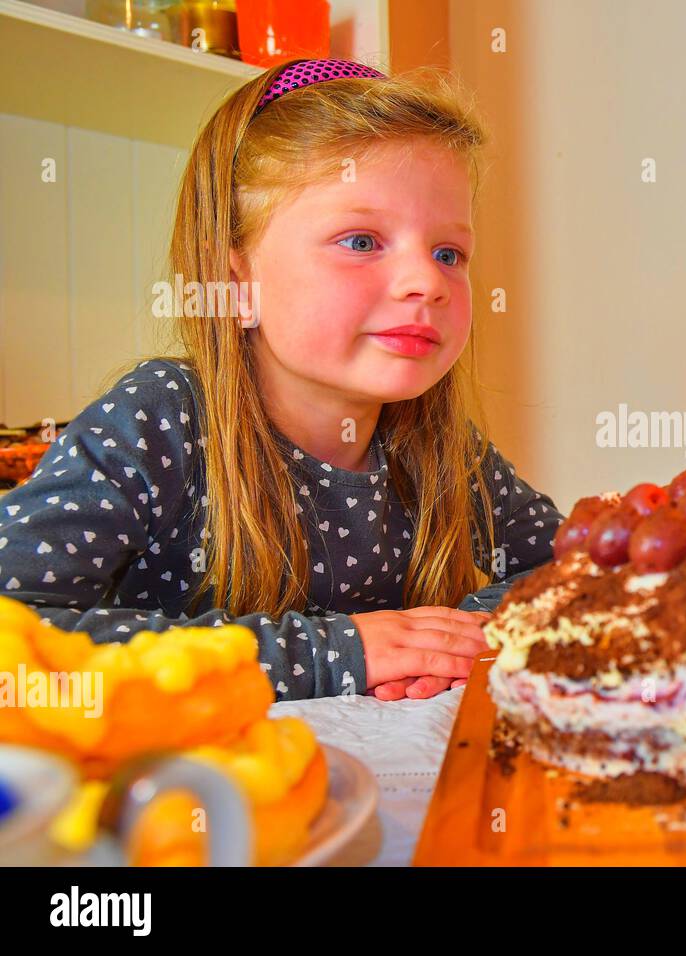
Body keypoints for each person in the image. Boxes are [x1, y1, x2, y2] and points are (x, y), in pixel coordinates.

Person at [0, 59, 561, 702]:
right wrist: (334, 653)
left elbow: (569, 568)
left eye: (448, 254)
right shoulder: (159, 423)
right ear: (237, 287)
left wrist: (461, 634)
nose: (427, 283)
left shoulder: (438, 445)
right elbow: (15, 634)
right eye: (360, 240)